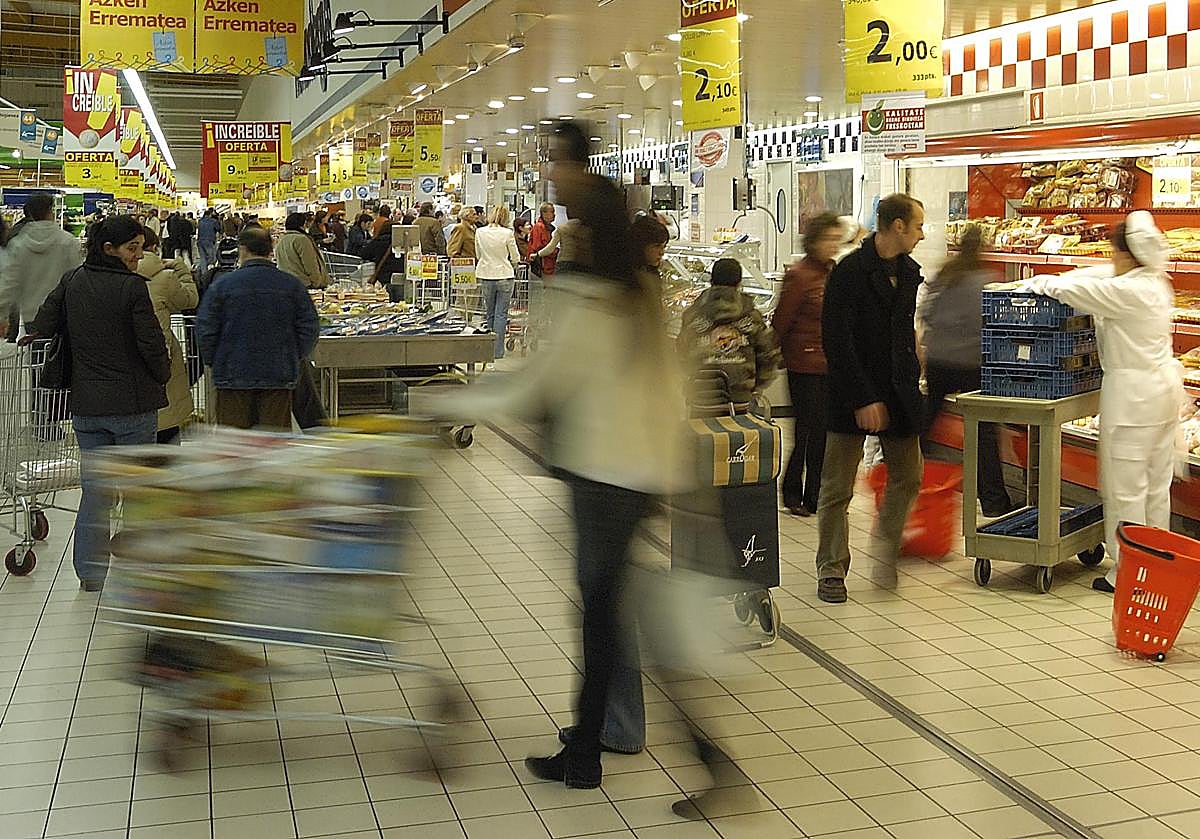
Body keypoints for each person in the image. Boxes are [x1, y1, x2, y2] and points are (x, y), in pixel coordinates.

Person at [446, 122, 679, 789]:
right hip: (631, 475)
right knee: (609, 612)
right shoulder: (639, 294)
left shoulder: (590, 299)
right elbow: (664, 386)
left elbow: (540, 382)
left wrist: (448, 401)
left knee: (603, 618)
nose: (559, 234)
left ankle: (592, 751)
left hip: (601, 479)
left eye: (571, 227)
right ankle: (595, 740)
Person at [1026, 212, 1182, 594]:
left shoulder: (1126, 292)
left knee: (1126, 489)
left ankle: (1128, 574)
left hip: (1133, 400)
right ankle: (1156, 563)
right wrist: (1076, 273)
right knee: (1155, 489)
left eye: (1115, 253)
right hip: (1162, 398)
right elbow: (1096, 275)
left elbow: (1074, 291)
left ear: (1128, 255)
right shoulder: (1154, 282)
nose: (1111, 260)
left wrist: (1036, 281)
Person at [30, 216, 170, 591]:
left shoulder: (72, 280)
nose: (139, 257)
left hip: (87, 408)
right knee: (139, 489)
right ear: (109, 249)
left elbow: (43, 323)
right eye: (133, 248)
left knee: (95, 492)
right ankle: (142, 570)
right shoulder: (132, 289)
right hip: (134, 407)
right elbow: (151, 345)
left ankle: (91, 574)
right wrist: (163, 374)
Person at [815, 193, 927, 603]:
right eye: (917, 225)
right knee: (836, 487)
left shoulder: (910, 272)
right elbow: (836, 341)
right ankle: (831, 569)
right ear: (897, 226)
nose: (921, 233)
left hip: (899, 392)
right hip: (851, 393)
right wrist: (862, 398)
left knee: (909, 475)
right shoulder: (849, 272)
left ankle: (885, 548)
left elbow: (902, 331)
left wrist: (917, 357)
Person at [918, 224, 1015, 518]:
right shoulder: (986, 282)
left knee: (925, 424)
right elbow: (994, 326)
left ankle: (907, 479)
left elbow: (926, 314)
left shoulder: (944, 275)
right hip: (972, 364)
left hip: (939, 361)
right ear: (982, 249)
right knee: (984, 432)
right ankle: (994, 501)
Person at [195, 227, 320, 430]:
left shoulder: (223, 286)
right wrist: (293, 355)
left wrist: (216, 360)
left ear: (242, 249)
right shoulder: (291, 285)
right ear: (270, 249)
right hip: (278, 375)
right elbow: (310, 327)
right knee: (272, 446)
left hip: (232, 377)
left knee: (236, 446)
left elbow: (206, 329)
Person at [774, 213, 842, 517]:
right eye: (829, 239)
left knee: (823, 433)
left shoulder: (833, 272)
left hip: (829, 363)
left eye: (837, 239)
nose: (834, 245)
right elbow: (781, 321)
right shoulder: (799, 275)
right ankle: (792, 492)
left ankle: (815, 495)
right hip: (803, 363)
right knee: (807, 431)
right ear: (814, 240)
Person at [677, 258, 780, 410]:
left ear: (711, 281)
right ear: (739, 283)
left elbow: (682, 353)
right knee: (742, 433)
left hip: (701, 398)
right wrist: (755, 387)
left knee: (704, 433)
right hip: (741, 398)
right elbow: (768, 355)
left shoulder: (693, 315)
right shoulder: (752, 316)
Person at [137, 227, 198, 444]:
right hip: (162, 356)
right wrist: (182, 270)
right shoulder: (165, 277)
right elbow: (190, 300)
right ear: (154, 247)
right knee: (166, 422)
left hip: (126, 366)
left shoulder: (115, 276)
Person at [0, 193, 83, 337]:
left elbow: (9, 283)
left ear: (30, 213)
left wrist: (1, 314)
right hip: (63, 314)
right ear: (51, 210)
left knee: (37, 355)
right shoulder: (68, 242)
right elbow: (78, 282)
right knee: (60, 355)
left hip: (32, 316)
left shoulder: (19, 244)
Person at [475, 205, 522, 359]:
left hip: (486, 274)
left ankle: (488, 350)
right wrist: (514, 262)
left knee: (490, 313)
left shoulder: (479, 232)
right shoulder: (507, 233)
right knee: (501, 314)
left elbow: (478, 253)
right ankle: (498, 351)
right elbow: (515, 257)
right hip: (504, 275)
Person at [276, 212, 330, 289]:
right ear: (302, 224)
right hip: (304, 284)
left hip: (287, 283)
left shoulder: (282, 239)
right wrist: (316, 283)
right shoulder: (302, 239)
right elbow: (310, 264)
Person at [529, 202, 558, 276]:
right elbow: (538, 246)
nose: (554, 214)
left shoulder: (547, 228)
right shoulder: (539, 227)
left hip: (548, 264)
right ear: (544, 213)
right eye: (552, 212)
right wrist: (555, 251)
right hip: (543, 264)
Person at [197, 209, 220, 276]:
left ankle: (204, 274)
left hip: (200, 241)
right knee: (211, 258)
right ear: (210, 214)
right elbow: (218, 229)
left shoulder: (200, 221)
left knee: (203, 258)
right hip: (209, 241)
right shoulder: (213, 221)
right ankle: (210, 274)